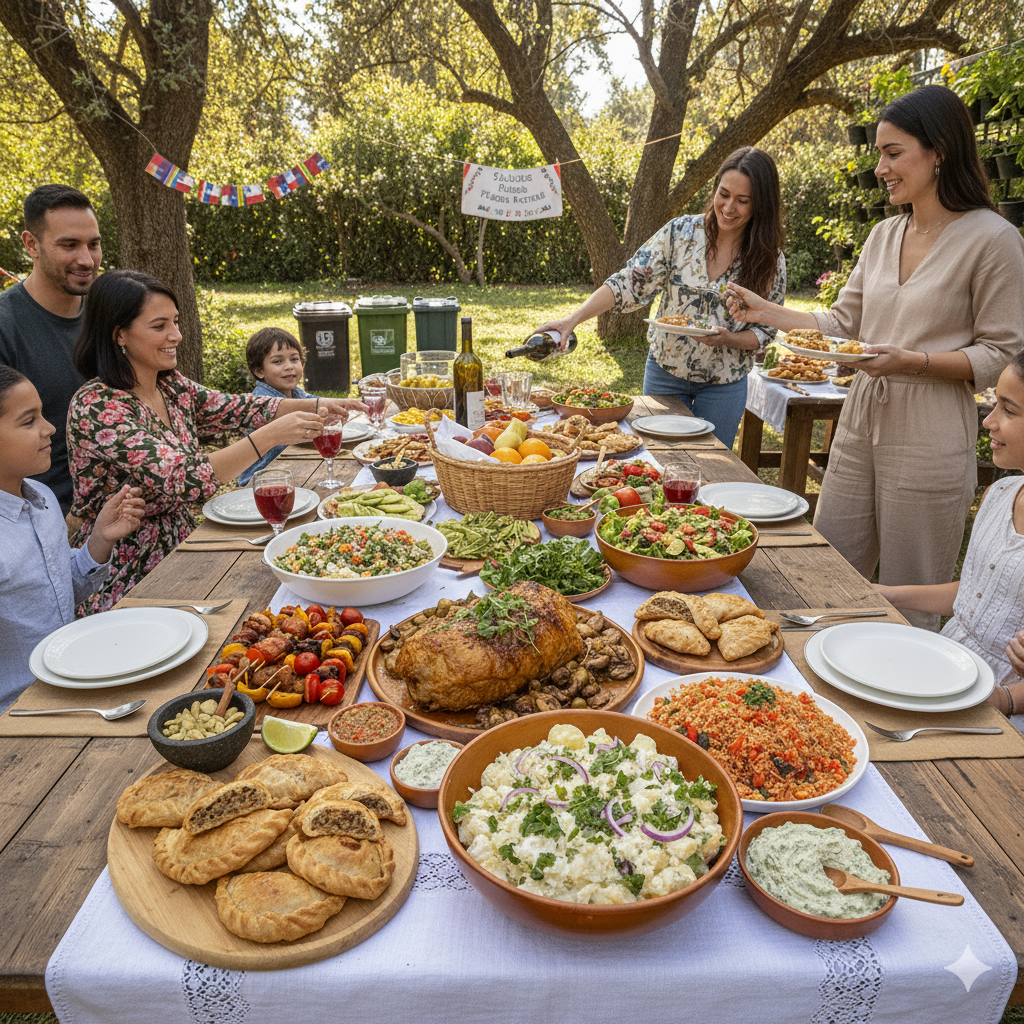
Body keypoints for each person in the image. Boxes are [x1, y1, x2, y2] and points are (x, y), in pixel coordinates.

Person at [726, 85, 1024, 630]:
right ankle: (814, 672)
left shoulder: (993, 239)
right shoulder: (884, 234)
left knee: (911, 589)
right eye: (879, 153)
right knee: (826, 570)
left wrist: (912, 361)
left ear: (938, 152)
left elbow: (1002, 352)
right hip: (861, 415)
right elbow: (843, 324)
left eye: (893, 153)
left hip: (932, 428)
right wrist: (764, 310)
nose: (881, 167)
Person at [66, 270, 366, 614]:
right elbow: (188, 479)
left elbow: (235, 408)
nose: (176, 335)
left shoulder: (168, 384)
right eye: (159, 325)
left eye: (175, 321)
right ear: (119, 334)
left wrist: (318, 404)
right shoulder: (98, 405)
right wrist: (271, 435)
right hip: (122, 570)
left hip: (188, 547)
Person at [536, 146, 786, 448]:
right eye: (723, 194)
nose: (729, 207)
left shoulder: (769, 259)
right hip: (666, 373)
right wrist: (573, 319)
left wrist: (728, 339)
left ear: (761, 204)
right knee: (660, 457)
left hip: (724, 385)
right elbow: (629, 282)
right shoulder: (681, 232)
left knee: (712, 464)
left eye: (742, 201)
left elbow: (765, 331)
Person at [875, 351, 1024, 722]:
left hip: (1001, 704)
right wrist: (887, 594)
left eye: (1008, 410)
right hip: (949, 666)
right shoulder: (999, 495)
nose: (988, 421)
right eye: (994, 405)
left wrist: (1005, 700)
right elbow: (976, 593)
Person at [0, 364, 145, 712]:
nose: (49, 428)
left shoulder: (43, 498)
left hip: (72, 686)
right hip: (19, 714)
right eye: (28, 421)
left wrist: (99, 541)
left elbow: (58, 591)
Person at [0, 185, 102, 514]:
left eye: (93, 244)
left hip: (127, 515)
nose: (86, 260)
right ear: (32, 244)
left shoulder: (112, 316)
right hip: (42, 521)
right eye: (69, 245)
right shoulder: (6, 327)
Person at [238, 327, 316, 486]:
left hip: (290, 474)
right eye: (277, 361)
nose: (289, 366)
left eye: (294, 359)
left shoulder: (296, 394)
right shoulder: (260, 403)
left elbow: (318, 403)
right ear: (259, 371)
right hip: (260, 483)